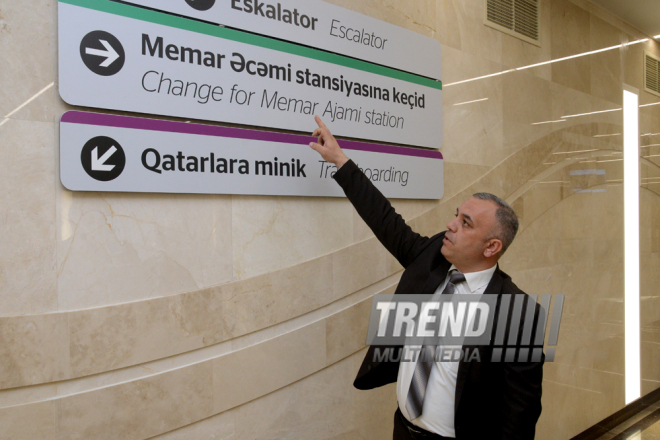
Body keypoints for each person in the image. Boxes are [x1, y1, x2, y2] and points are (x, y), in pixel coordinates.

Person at [309, 116, 544, 440]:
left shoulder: (517, 312)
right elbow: (385, 220)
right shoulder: (432, 258)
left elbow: (520, 412)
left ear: (492, 246)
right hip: (403, 430)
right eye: (455, 216)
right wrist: (339, 160)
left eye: (466, 223)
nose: (451, 226)